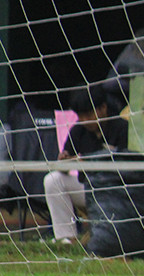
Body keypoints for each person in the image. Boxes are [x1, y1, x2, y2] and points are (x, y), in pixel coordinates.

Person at [43, 85, 129, 243]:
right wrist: (64, 162)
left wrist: (91, 160)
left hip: (115, 192)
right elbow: (64, 166)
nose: (84, 121)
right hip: (87, 189)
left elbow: (127, 165)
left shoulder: (122, 128)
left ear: (103, 108)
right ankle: (65, 238)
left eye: (89, 115)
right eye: (80, 116)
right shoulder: (78, 131)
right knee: (52, 180)